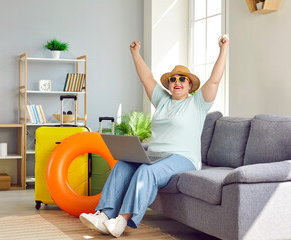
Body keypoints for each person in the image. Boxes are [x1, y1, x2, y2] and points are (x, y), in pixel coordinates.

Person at [80, 36, 229, 238]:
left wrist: (223, 49)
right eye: (173, 79)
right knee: (122, 165)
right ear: (168, 84)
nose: (177, 82)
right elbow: (147, 78)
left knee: (145, 172)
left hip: (182, 158)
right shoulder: (163, 100)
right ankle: (104, 215)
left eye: (182, 79)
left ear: (190, 85)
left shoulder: (198, 103)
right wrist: (135, 54)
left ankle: (121, 221)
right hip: (156, 155)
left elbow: (215, 79)